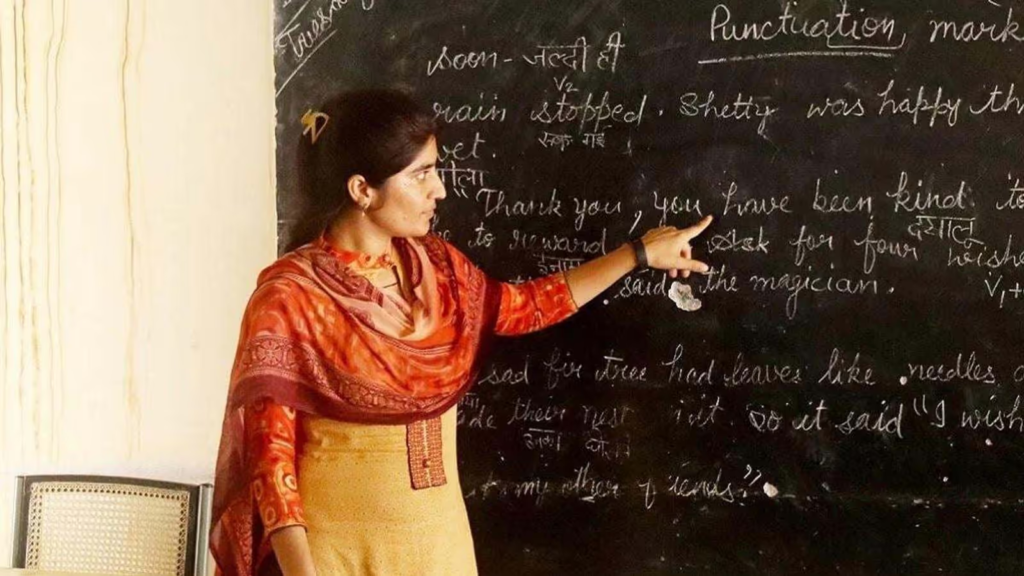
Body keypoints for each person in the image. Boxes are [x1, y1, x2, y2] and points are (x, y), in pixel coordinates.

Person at [210, 88, 713, 576]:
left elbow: (525, 307)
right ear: (362, 189)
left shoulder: (439, 269)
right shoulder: (290, 297)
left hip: (441, 551)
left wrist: (639, 254)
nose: (441, 190)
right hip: (337, 558)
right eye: (422, 174)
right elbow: (270, 465)